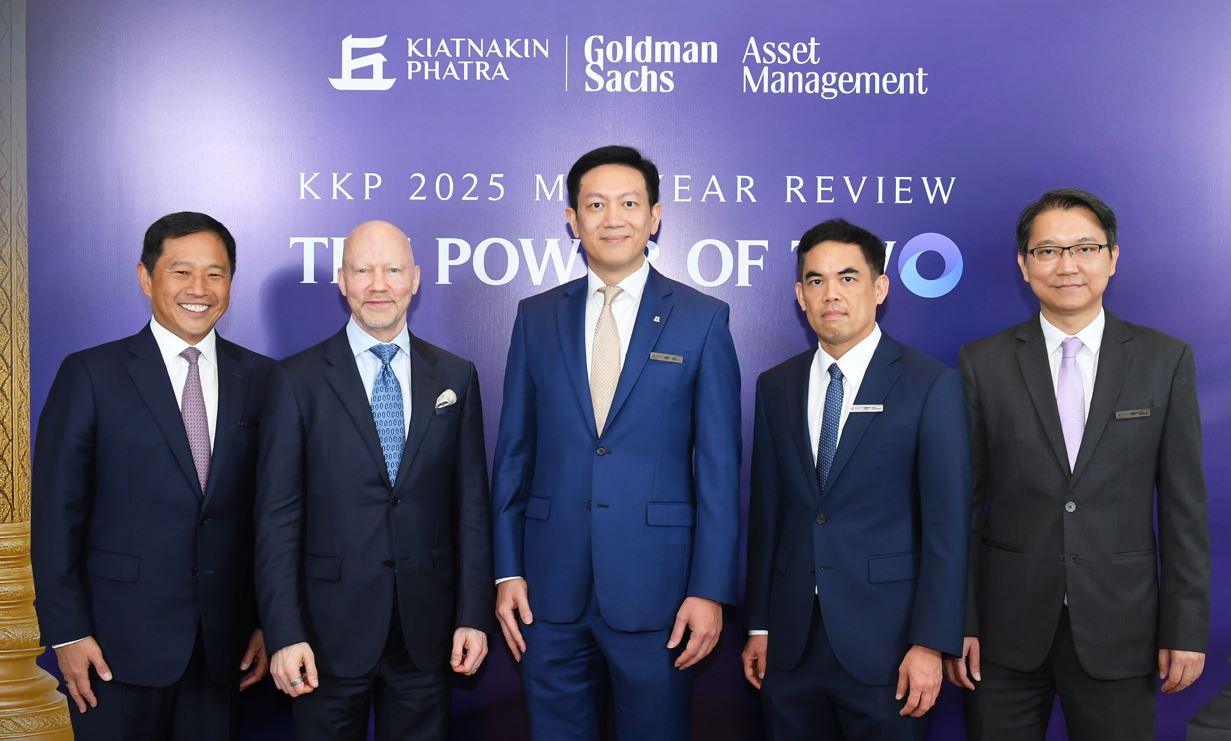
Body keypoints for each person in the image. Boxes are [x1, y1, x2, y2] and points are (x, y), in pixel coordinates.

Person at [490, 145, 741, 740]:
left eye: (629, 204)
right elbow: (513, 454)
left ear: (655, 217)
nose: (613, 218)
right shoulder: (535, 316)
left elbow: (719, 469)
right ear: (572, 220)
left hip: (660, 594)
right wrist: (506, 572)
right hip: (547, 591)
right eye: (595, 205)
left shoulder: (702, 318)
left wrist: (709, 589)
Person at [945, 189, 1210, 740]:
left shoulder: (1165, 360)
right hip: (1003, 634)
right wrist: (959, 621)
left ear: (1113, 258)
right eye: (1047, 251)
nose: (1067, 265)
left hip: (1122, 628)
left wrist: (1186, 629)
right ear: (1024, 266)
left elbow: (1184, 509)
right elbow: (962, 506)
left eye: (1084, 248)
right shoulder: (982, 363)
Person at [31, 212, 271, 740]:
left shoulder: (264, 379)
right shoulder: (91, 374)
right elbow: (55, 516)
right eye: (181, 272)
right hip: (112, 650)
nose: (199, 289)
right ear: (146, 277)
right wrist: (67, 633)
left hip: (222, 651)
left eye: (215, 273)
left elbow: (269, 515)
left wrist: (263, 620)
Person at [255, 220, 492, 741]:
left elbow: (471, 507)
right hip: (324, 638)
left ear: (416, 279)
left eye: (392, 270)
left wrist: (473, 615)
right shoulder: (295, 380)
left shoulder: (456, 376)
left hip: (427, 633)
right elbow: (277, 518)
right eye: (363, 271)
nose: (378, 285)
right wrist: (284, 632)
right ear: (342, 281)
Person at [742, 218, 970, 740]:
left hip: (889, 646)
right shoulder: (775, 386)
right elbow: (767, 515)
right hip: (790, 646)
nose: (831, 294)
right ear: (800, 295)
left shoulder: (930, 385)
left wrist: (930, 643)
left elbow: (948, 528)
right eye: (816, 280)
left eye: (848, 278)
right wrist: (759, 624)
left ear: (880, 288)